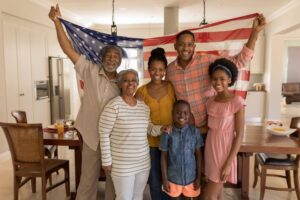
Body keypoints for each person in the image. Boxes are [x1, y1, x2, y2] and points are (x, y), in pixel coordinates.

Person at [49, 4, 121, 200]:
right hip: (91, 136)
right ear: (102, 57)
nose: (112, 59)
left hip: (114, 140)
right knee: (87, 181)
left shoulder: (123, 82)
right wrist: (57, 22)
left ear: (120, 62)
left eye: (116, 56)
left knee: (113, 183)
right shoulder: (89, 69)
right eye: (109, 55)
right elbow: (67, 49)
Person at [166, 14, 266, 134]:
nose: (185, 48)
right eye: (181, 44)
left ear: (194, 46)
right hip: (185, 131)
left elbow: (240, 61)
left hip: (210, 129)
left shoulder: (207, 60)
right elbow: (170, 98)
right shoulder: (170, 71)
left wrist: (255, 33)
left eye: (189, 44)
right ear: (175, 46)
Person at [99, 69, 151, 200]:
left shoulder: (144, 107)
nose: (130, 83)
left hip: (143, 162)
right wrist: (106, 160)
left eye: (134, 80)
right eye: (126, 80)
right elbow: (104, 133)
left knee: (138, 196)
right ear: (119, 84)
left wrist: (162, 129)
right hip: (122, 164)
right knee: (124, 198)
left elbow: (148, 128)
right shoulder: (113, 106)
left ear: (137, 83)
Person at [135, 47, 175, 200]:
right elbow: (139, 120)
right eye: (153, 69)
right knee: (154, 180)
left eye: (161, 69)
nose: (157, 73)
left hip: (171, 142)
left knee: (171, 177)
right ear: (148, 70)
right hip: (150, 144)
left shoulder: (171, 87)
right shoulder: (141, 92)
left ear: (165, 70)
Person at [204, 58, 245, 200]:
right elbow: (208, 126)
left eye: (222, 78)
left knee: (208, 196)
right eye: (214, 79)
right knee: (218, 191)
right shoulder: (210, 102)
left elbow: (239, 134)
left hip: (224, 150)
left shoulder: (236, 102)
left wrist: (229, 163)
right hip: (210, 147)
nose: (217, 82)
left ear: (229, 79)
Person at [160, 100, 204, 200]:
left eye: (185, 113)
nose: (182, 116)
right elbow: (163, 157)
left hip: (191, 178)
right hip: (173, 178)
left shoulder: (195, 132)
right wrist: (164, 179)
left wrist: (198, 177)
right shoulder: (167, 133)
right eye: (178, 112)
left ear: (190, 114)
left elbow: (198, 155)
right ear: (172, 114)